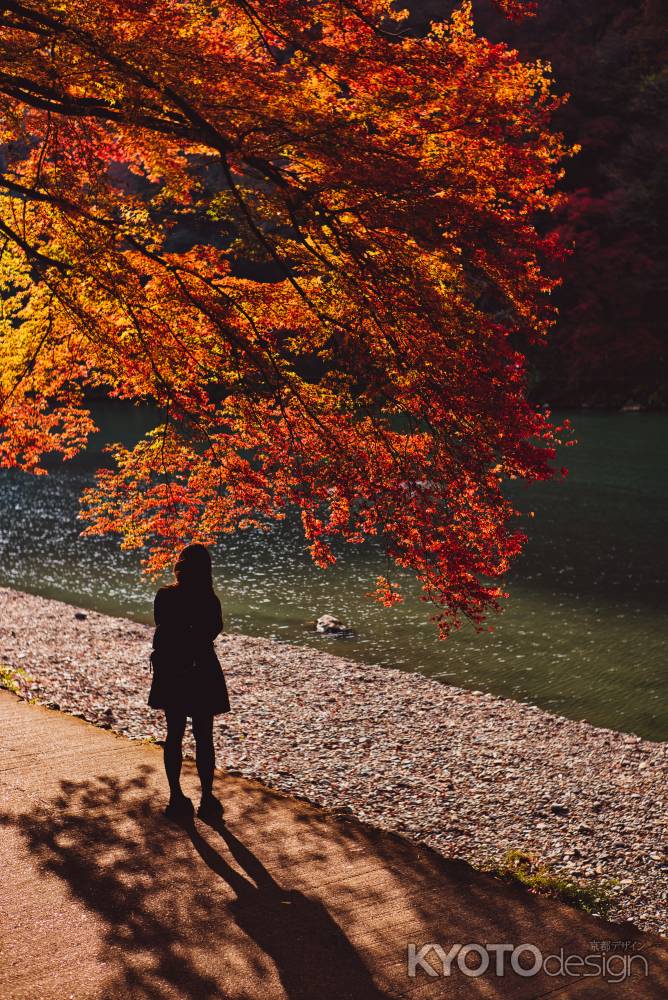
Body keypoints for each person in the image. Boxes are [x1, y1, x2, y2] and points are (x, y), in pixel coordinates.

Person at [148, 543, 230, 821]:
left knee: (174, 735)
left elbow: (161, 623)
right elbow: (212, 631)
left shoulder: (165, 596)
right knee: (204, 736)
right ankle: (207, 798)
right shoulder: (209, 600)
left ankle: (176, 798)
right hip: (202, 670)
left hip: (173, 670)